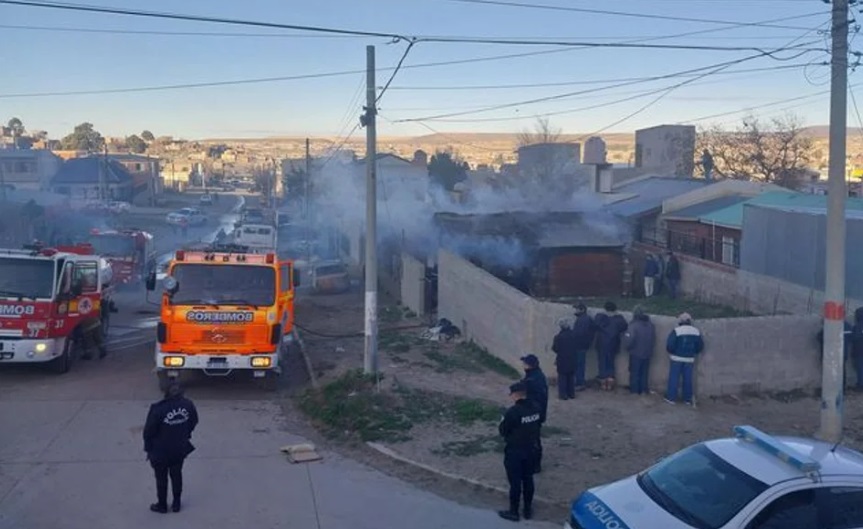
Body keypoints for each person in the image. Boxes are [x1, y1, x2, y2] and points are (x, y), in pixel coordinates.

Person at [143, 381, 199, 514]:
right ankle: (176, 503)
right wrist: (184, 434)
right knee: (177, 474)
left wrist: (148, 448)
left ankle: (162, 505)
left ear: (166, 393)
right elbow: (194, 421)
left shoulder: (158, 409)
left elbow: (148, 432)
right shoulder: (188, 405)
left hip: (160, 451)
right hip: (179, 449)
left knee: (161, 478)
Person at [497, 381, 542, 522]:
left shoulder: (513, 412)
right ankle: (527, 510)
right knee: (528, 479)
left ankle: (514, 511)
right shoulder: (536, 408)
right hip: (531, 449)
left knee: (515, 482)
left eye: (512, 394)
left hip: (515, 451)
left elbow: (503, 431)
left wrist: (502, 419)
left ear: (516, 395)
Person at [664, 313, 704, 407]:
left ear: (680, 321)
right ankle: (687, 399)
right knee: (688, 379)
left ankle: (671, 398)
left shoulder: (677, 330)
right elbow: (700, 346)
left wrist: (672, 352)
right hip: (689, 359)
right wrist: (693, 352)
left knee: (674, 378)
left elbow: (670, 345)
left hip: (676, 358)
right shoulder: (696, 331)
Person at [519, 354, 548, 473]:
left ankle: (535, 465)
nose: (523, 365)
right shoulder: (536, 376)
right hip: (535, 412)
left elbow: (532, 396)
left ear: (530, 365)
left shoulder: (533, 379)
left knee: (533, 440)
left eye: (525, 363)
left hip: (533, 413)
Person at [593, 301, 629, 391]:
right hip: (613, 344)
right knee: (610, 364)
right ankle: (610, 383)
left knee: (602, 363)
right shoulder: (618, 320)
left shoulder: (600, 318)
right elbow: (624, 326)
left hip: (601, 344)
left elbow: (595, 324)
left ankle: (603, 384)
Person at [623, 307, 656, 395]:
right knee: (644, 373)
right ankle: (643, 390)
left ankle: (634, 390)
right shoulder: (650, 325)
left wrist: (627, 347)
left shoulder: (633, 325)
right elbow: (653, 339)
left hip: (636, 352)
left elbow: (629, 339)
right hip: (647, 353)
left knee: (635, 372)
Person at [570, 303, 596, 391]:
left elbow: (579, 333)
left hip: (579, 345)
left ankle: (579, 383)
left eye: (577, 309)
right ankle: (579, 382)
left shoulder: (583, 320)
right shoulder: (585, 319)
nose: (575, 311)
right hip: (583, 345)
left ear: (582, 310)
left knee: (579, 364)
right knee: (579, 364)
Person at [552, 318, 578, 400]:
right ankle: (572, 394)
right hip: (573, 358)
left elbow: (555, 348)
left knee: (562, 377)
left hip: (562, 358)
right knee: (571, 376)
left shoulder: (558, 337)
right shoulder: (574, 335)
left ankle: (563, 395)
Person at [850, 307, 863, 391]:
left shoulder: (858, 325)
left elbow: (855, 337)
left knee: (860, 368)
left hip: (859, 349)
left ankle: (861, 385)